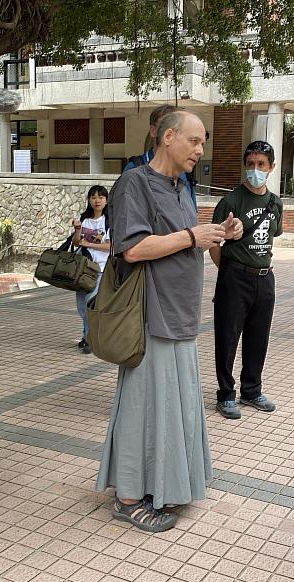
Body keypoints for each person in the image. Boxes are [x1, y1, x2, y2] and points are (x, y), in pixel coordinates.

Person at [96, 111, 243, 532]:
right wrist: (193, 236)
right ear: (167, 137)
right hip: (150, 315)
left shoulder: (182, 187)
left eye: (203, 142)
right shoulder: (134, 183)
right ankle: (128, 498)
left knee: (170, 408)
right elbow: (131, 249)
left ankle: (161, 484)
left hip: (180, 316)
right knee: (141, 407)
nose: (200, 149)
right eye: (194, 141)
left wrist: (218, 233)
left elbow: (180, 242)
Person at [210, 141, 283, 420]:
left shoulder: (275, 203)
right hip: (235, 277)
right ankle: (226, 394)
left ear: (271, 167)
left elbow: (273, 234)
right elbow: (214, 242)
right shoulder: (231, 202)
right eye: (250, 164)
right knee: (227, 338)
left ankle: (251, 390)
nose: (255, 169)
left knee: (258, 337)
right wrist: (230, 271)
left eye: (261, 164)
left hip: (264, 278)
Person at [123, 104, 197, 207]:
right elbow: (126, 211)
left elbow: (191, 211)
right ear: (153, 131)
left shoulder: (184, 171)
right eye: (165, 128)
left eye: (177, 130)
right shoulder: (134, 168)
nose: (170, 135)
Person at [71, 185, 111, 354]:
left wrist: (88, 243)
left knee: (90, 304)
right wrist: (77, 230)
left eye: (101, 197)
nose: (97, 200)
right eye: (93, 197)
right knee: (81, 306)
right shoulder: (85, 219)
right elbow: (75, 242)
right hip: (82, 269)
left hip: (99, 269)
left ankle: (89, 339)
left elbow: (111, 246)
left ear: (106, 200)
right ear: (89, 200)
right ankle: (86, 335)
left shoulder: (109, 221)